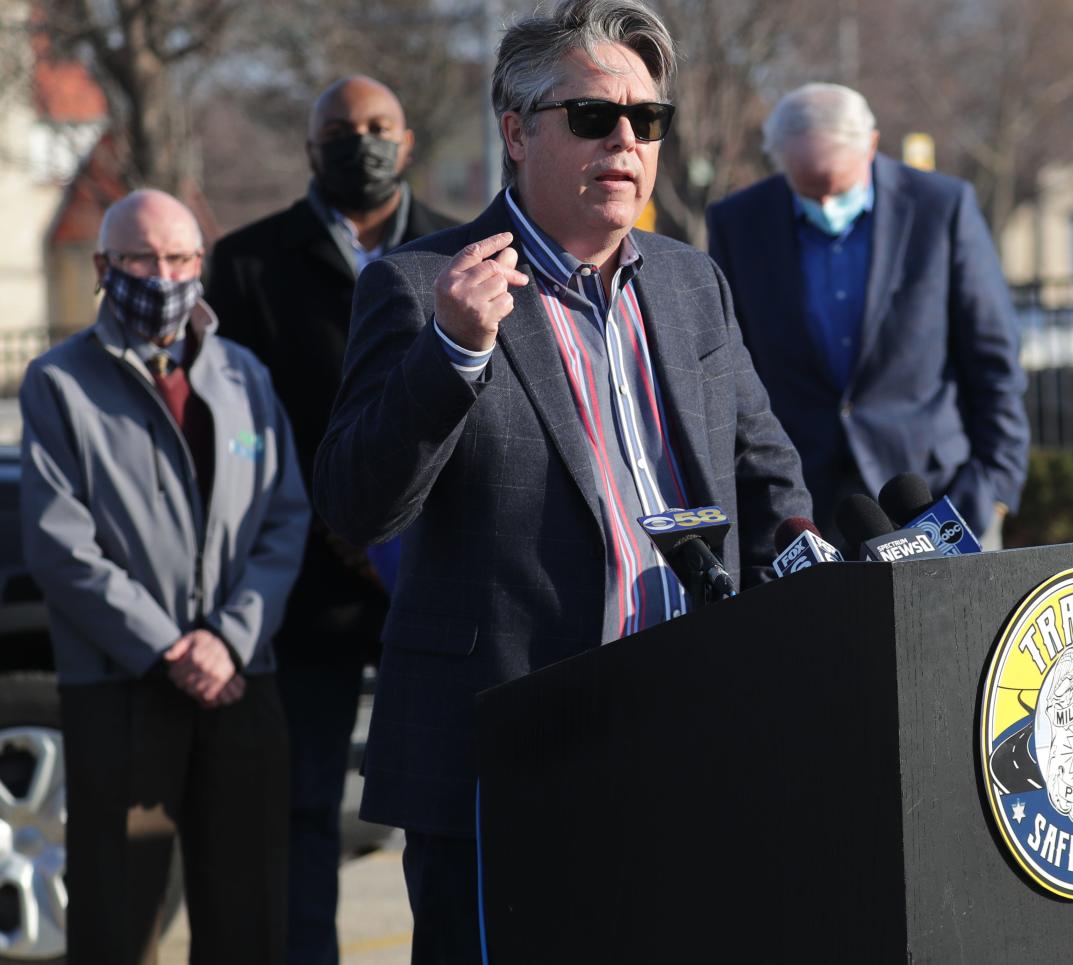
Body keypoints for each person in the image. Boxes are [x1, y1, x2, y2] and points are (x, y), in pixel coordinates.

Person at [312, 1, 812, 960]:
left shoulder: (688, 279)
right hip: (510, 758)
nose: (625, 139)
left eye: (647, 119)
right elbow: (355, 501)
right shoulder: (424, 287)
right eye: (592, 117)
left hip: (689, 734)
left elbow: (766, 469)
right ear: (515, 130)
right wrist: (453, 353)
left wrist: (805, 547)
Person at [20, 189, 308, 964]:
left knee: (249, 916)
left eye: (181, 257)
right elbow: (59, 542)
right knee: (120, 919)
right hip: (121, 686)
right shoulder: (59, 381)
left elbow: (285, 521)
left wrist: (228, 639)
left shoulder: (245, 376)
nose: (164, 274)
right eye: (143, 258)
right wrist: (173, 648)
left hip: (243, 681)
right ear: (104, 267)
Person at [206, 74, 456, 965]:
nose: (363, 144)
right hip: (307, 581)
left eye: (380, 126)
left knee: (452, 800)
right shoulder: (245, 264)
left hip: (439, 571)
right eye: (343, 131)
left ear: (410, 139)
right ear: (313, 148)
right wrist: (338, 524)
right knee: (300, 804)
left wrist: (398, 525)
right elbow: (236, 425)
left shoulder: (470, 249)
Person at [707, 83, 1029, 547]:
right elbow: (731, 376)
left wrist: (993, 489)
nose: (825, 206)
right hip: (803, 511)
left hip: (934, 499)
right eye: (808, 190)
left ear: (872, 145)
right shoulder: (738, 223)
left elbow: (994, 358)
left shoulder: (941, 208)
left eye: (836, 188)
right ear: (779, 162)